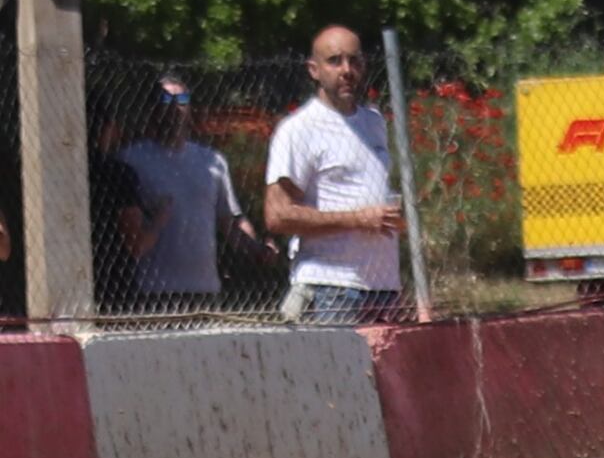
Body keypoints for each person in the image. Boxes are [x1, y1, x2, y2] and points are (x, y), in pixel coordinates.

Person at [264, 25, 406, 323]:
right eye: (335, 61)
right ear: (314, 70)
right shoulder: (299, 129)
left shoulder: (374, 122)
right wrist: (357, 220)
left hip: (383, 287)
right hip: (332, 286)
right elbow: (277, 215)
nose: (347, 70)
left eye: (354, 61)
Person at [113, 77, 241, 310]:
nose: (174, 106)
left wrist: (256, 248)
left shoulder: (213, 161)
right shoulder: (131, 159)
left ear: (190, 108)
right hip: (154, 291)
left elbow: (229, 220)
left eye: (181, 99)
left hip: (205, 289)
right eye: (166, 99)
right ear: (152, 107)